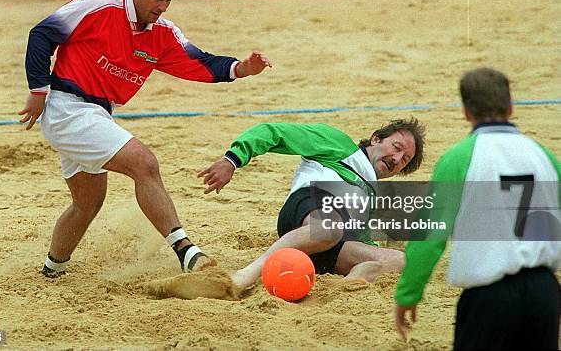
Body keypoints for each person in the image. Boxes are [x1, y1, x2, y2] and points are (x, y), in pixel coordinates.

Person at [17, 0, 272, 277]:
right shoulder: (98, 6)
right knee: (144, 163)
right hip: (68, 109)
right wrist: (38, 91)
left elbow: (200, 62)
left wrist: (242, 68)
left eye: (169, 0)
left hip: (97, 115)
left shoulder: (162, 33)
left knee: (88, 203)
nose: (163, 6)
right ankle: (186, 251)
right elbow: (41, 35)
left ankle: (52, 269)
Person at [394, 68, 560, 349]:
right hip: (544, 293)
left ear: (466, 112)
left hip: (489, 298)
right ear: (510, 106)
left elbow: (430, 235)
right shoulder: (544, 155)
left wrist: (409, 293)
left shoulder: (459, 158)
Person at [198, 118, 425, 293]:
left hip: (333, 245)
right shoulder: (339, 144)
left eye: (404, 159)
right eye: (396, 147)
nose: (396, 158)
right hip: (307, 211)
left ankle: (336, 293)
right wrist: (232, 160)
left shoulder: (371, 195)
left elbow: (362, 239)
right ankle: (244, 277)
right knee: (329, 227)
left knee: (399, 260)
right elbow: (273, 132)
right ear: (376, 139)